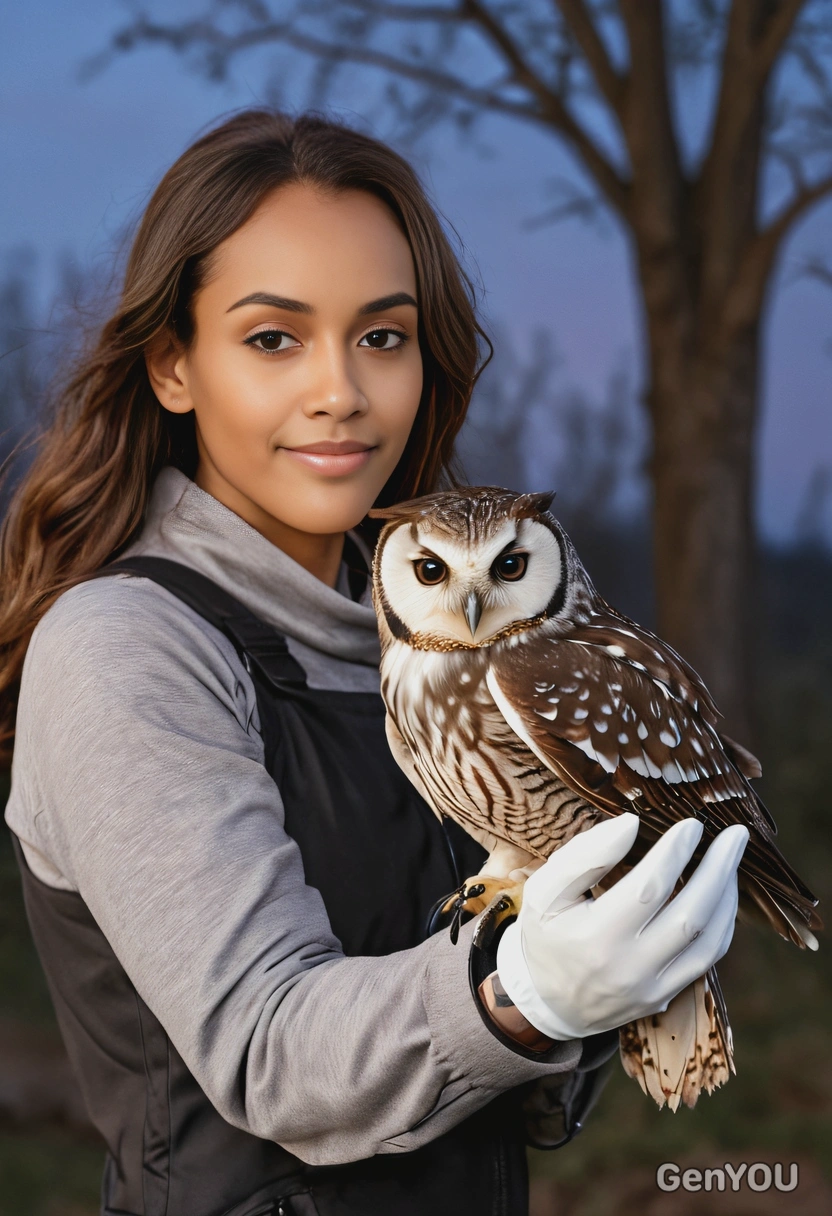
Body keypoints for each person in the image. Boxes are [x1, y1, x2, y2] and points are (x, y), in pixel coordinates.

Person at [0, 110, 748, 1216]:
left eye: (382, 336)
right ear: (171, 365)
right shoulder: (128, 648)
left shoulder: (439, 631)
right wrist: (526, 994)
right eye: (273, 338)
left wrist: (605, 974)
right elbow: (270, 1051)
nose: (340, 391)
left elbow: (516, 1101)